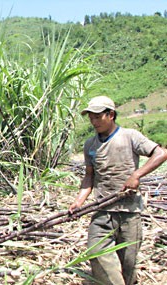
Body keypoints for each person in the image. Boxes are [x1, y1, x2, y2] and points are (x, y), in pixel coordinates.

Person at [68, 96, 167, 285]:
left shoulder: (130, 136)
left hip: (129, 211)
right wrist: (78, 202)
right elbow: (89, 177)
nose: (93, 121)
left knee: (127, 265)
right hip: (103, 209)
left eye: (98, 117)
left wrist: (136, 175)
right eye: (91, 117)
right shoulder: (90, 144)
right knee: (96, 251)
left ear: (111, 115)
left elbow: (161, 153)